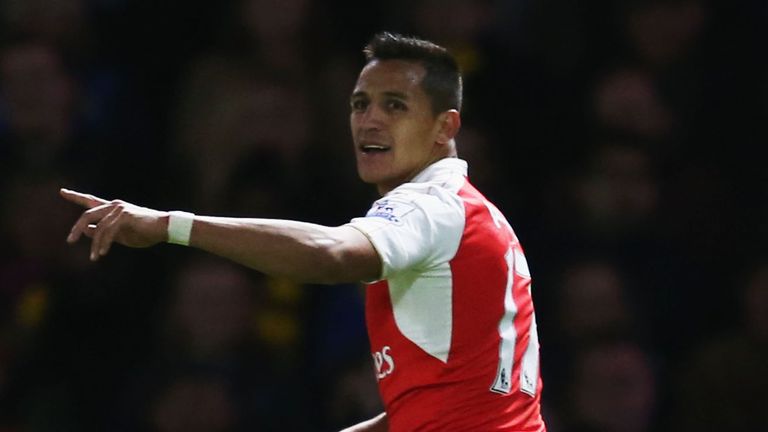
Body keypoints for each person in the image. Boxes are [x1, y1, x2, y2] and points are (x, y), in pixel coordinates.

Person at [61, 32, 546, 432]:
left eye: (395, 105)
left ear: (445, 127)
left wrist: (170, 225)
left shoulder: (428, 206)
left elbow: (331, 252)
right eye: (360, 104)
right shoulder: (476, 215)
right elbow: (449, 404)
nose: (369, 120)